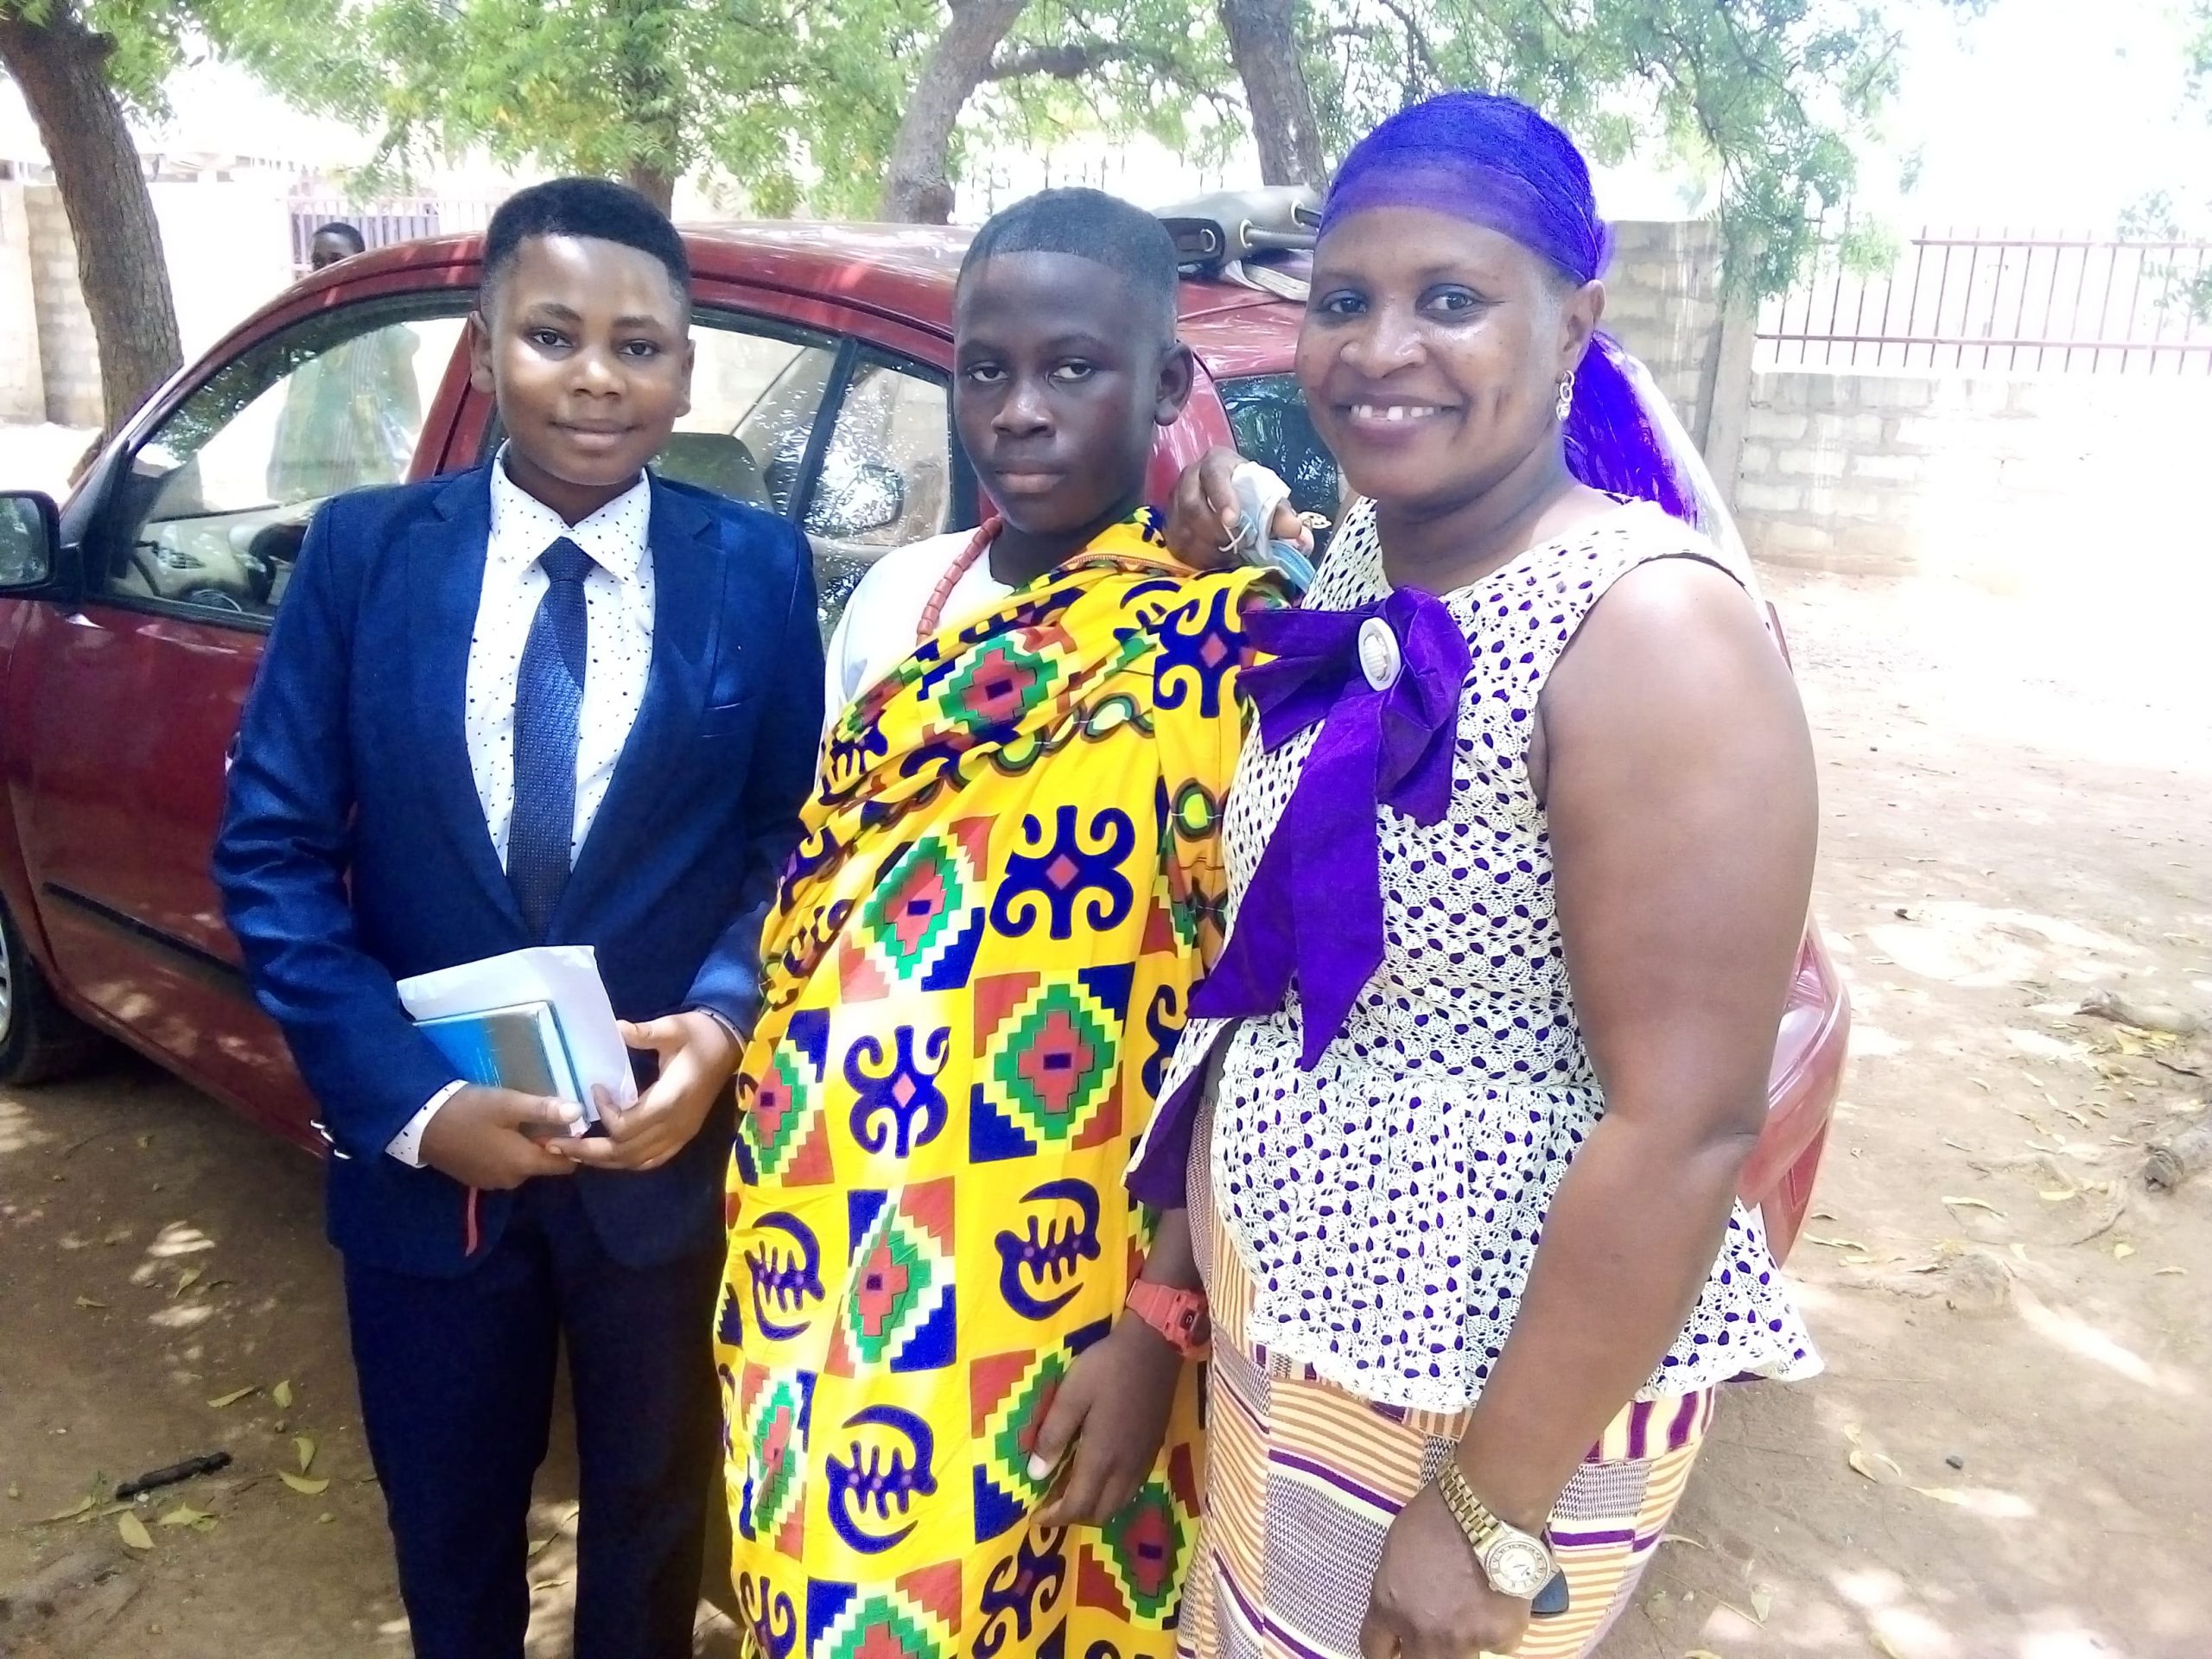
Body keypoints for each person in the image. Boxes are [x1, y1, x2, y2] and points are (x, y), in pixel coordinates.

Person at [1130, 92, 1821, 1659]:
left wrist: (1488, 1513)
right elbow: (1287, 978)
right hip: (1303, 1340)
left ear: (1572, 324)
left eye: (1450, 300)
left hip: (1488, 1408)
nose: (1382, 349)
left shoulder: (1651, 634)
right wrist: (1182, 1292)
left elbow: (1690, 1122)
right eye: (1345, 302)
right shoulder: (1371, 554)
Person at [216, 178, 824, 1659]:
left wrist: (723, 1029)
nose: (597, 377)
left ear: (686, 370)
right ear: (484, 352)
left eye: (640, 345)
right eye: (553, 336)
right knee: (449, 1525)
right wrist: (416, 1108)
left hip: (658, 1168)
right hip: (435, 1174)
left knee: (653, 1522)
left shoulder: (753, 572)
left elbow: (785, 842)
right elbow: (273, 855)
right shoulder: (365, 556)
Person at [715, 188, 1277, 1657]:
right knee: (832, 1598)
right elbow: (824, 892)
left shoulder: (1229, 633)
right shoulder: (906, 600)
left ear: (1166, 383)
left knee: (1045, 1594)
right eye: (985, 370)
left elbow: (1242, 1015)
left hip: (1064, 1264)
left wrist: (1160, 1318)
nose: (1020, 411)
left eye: (1074, 368)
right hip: (826, 1224)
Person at [269, 221, 423, 501]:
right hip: (306, 486)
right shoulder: (305, 330)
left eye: (337, 260)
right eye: (318, 262)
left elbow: (410, 417)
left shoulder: (386, 333)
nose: (326, 270)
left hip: (365, 488)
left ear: (360, 264)